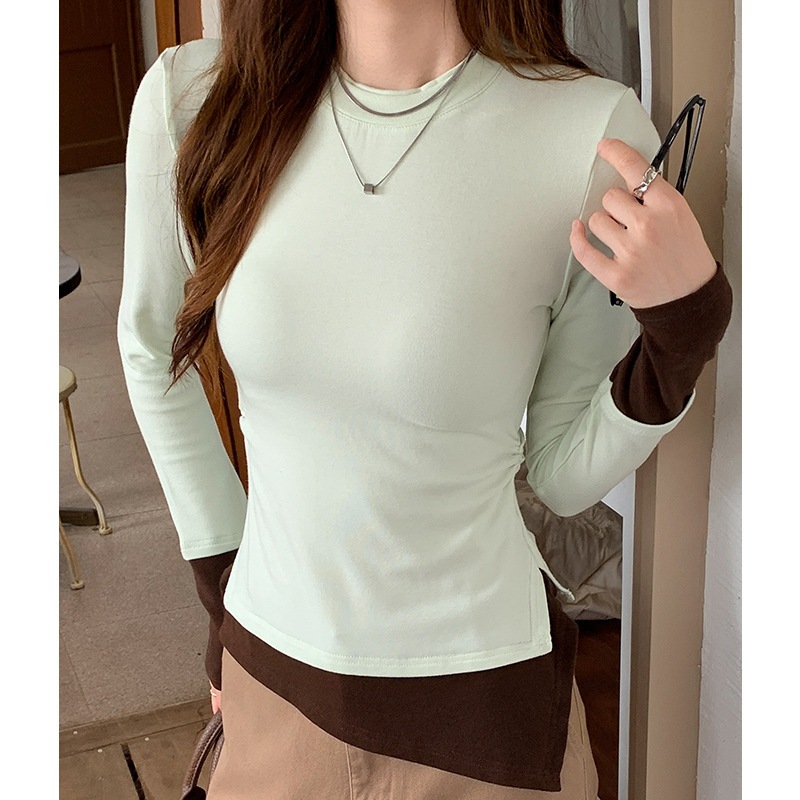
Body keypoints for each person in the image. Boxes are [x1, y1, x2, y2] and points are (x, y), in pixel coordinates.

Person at [118, 1, 733, 797]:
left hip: (484, 717)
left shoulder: (589, 131)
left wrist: (683, 335)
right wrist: (222, 593)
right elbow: (151, 349)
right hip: (272, 684)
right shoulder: (195, 98)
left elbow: (558, 474)